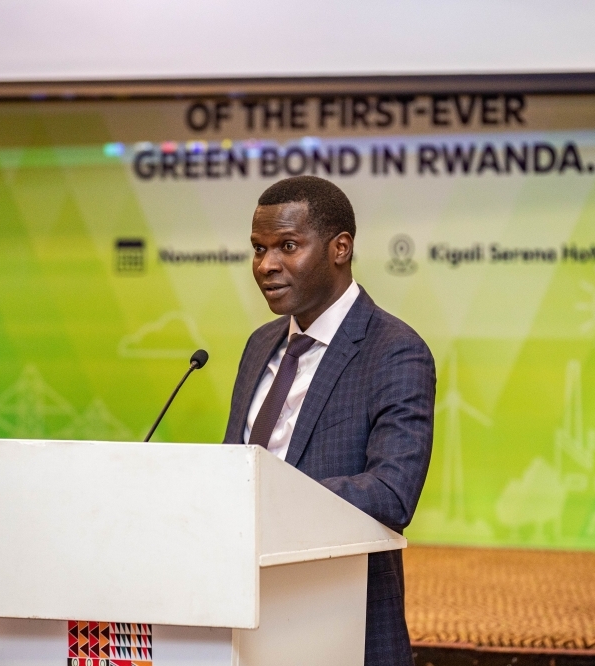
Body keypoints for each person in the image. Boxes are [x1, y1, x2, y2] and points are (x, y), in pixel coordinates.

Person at [223, 175, 436, 666]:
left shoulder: (395, 352)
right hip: (245, 616)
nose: (266, 265)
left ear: (341, 248)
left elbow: (392, 492)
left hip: (338, 623)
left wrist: (270, 497)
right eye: (258, 248)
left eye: (287, 246)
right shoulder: (259, 345)